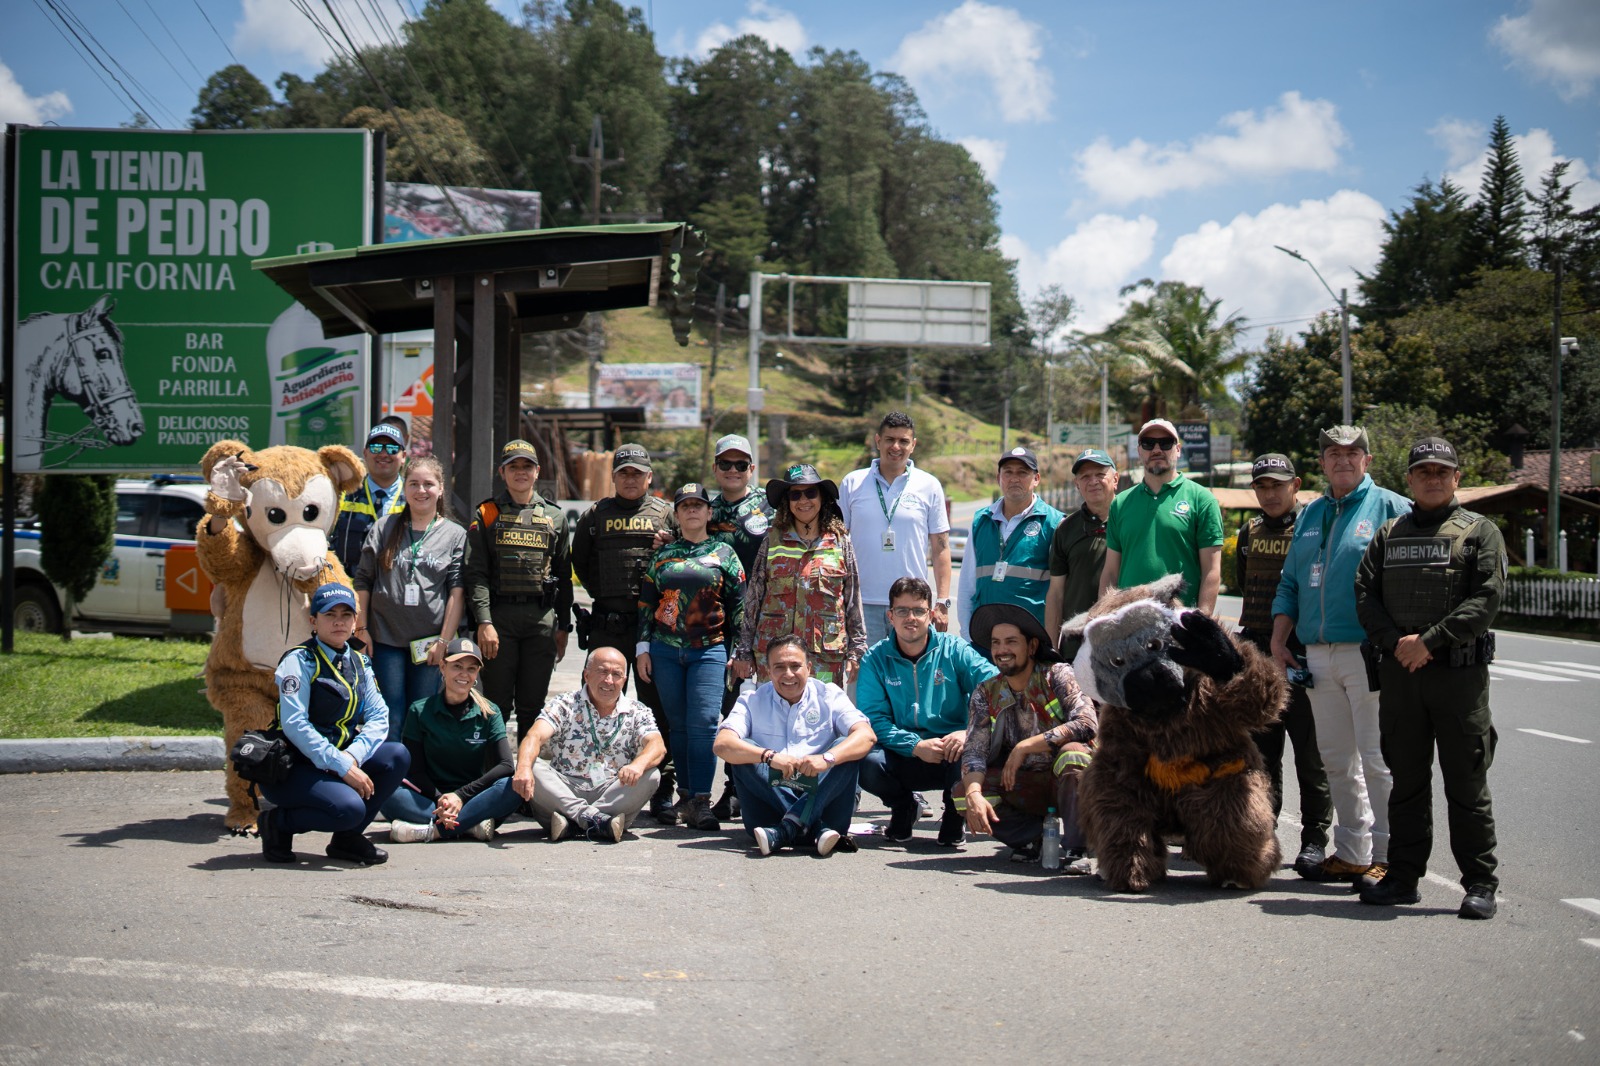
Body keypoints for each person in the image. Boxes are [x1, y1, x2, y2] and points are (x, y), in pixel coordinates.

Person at [1356, 438, 1506, 920]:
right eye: (1424, 472)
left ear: (1457, 478)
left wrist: (1430, 641)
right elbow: (1364, 594)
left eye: (1443, 471)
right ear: (1410, 481)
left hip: (1458, 679)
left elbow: (1485, 601)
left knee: (1467, 784)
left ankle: (1480, 883)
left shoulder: (1481, 532)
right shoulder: (1388, 532)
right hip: (1401, 676)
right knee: (1407, 784)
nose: (1434, 478)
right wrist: (1398, 643)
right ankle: (1402, 877)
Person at [1271, 425, 1410, 886]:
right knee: (1335, 758)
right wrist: (1278, 639)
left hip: (1368, 653)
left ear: (1367, 461)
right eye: (1333, 453)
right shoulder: (1310, 514)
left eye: (1353, 453)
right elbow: (1290, 582)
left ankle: (1389, 856)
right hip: (1315, 654)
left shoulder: (1391, 507)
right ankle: (1352, 851)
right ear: (1323, 463)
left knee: (1376, 758)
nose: (1343, 460)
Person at [257, 583, 409, 866]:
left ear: (355, 621)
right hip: (294, 769)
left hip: (339, 762)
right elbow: (295, 725)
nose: (339, 621)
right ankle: (278, 823)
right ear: (313, 621)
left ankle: (347, 840)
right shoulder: (299, 661)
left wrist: (351, 759)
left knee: (397, 755)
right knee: (348, 808)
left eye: (346, 614)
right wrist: (342, 766)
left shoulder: (360, 662)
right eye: (330, 615)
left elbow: (379, 716)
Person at [1235, 453, 1333, 878]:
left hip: (1302, 654)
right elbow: (1244, 584)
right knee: (1263, 755)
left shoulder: (1313, 529)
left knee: (1311, 756)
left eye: (1278, 485)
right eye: (1262, 486)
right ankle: (1265, 832)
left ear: (1295, 486)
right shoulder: (1248, 533)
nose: (1270, 493)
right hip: (1258, 656)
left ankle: (1314, 839)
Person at [570, 444, 677, 820]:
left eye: (638, 473)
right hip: (608, 626)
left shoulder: (667, 514)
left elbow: (682, 557)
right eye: (624, 473)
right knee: (600, 704)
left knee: (655, 708)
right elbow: (580, 562)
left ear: (650, 477)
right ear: (614, 477)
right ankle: (592, 780)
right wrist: (605, 594)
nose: (630, 479)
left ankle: (663, 787)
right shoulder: (596, 515)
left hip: (654, 627)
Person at [856, 577, 997, 846]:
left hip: (950, 750)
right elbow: (873, 720)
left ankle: (955, 815)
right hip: (903, 752)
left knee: (974, 752)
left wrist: (967, 732)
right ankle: (904, 807)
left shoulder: (955, 650)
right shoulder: (874, 659)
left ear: (931, 615)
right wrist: (915, 745)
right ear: (890, 615)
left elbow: (996, 688)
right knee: (866, 763)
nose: (911, 618)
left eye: (918, 610)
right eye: (902, 610)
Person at [637, 483, 746, 832]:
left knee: (704, 723)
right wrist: (642, 648)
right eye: (686, 506)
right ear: (678, 514)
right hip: (665, 650)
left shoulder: (724, 553)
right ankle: (684, 797)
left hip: (709, 649)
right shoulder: (663, 554)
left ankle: (701, 798)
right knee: (677, 725)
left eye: (699, 505)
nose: (693, 511)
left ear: (709, 513)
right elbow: (646, 602)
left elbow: (740, 605)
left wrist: (739, 650)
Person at [959, 603, 1096, 870]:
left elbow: (1087, 723)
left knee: (1073, 754)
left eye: (1011, 641)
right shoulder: (985, 692)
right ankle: (1036, 839)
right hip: (1024, 784)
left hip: (1072, 782)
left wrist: (1025, 746)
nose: (1002, 650)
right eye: (996, 643)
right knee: (962, 793)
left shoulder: (1058, 674)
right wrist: (973, 791)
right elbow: (974, 751)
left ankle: (1079, 849)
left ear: (1031, 647)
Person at [713, 635, 877, 856]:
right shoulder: (751, 700)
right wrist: (769, 756)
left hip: (824, 799)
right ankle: (814, 827)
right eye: (779, 667)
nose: (788, 674)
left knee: (844, 748)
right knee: (744, 750)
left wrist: (827, 758)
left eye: (795, 666)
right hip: (768, 810)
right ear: (768, 671)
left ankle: (786, 829)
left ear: (809, 668)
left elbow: (866, 736)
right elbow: (722, 744)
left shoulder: (829, 695)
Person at [464, 439, 573, 743]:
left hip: (541, 622)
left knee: (533, 706)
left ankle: (526, 776)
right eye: (514, 466)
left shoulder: (555, 517)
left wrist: (563, 627)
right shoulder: (487, 513)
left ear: (537, 472)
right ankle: (495, 773)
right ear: (502, 471)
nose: (521, 472)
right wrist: (484, 622)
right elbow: (476, 573)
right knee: (495, 704)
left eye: (527, 466)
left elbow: (564, 577)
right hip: (499, 621)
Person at [353, 455, 467, 739]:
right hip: (385, 638)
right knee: (390, 712)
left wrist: (444, 642)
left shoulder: (455, 535)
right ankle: (390, 778)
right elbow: (363, 581)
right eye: (414, 483)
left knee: (422, 712)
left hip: (429, 644)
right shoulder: (384, 528)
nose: (421, 490)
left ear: (441, 489)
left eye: (429, 484)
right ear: (405, 488)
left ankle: (416, 778)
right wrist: (361, 628)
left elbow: (456, 591)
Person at [512, 646, 667, 843]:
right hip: (565, 789)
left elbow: (657, 745)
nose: (609, 680)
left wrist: (637, 765)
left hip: (611, 791)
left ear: (624, 680)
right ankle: (596, 822)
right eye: (602, 671)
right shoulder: (564, 703)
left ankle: (572, 824)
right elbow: (534, 736)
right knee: (529, 765)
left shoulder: (638, 711)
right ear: (586, 675)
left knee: (651, 775)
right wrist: (523, 768)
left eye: (616, 674)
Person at [734, 463, 867, 687]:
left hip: (824, 657)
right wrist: (744, 650)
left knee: (821, 717)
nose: (803, 501)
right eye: (796, 495)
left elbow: (853, 599)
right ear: (787, 502)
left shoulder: (840, 542)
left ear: (822, 497)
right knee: (774, 718)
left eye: (810, 493)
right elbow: (754, 599)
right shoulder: (772, 540)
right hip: (776, 657)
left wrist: (857, 651)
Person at [381, 637, 522, 843]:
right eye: (457, 666)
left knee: (514, 787)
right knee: (386, 790)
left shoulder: (490, 712)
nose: (464, 674)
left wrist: (461, 796)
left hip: (475, 798)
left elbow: (506, 765)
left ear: (477, 674)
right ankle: (470, 826)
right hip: (432, 799)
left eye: (471, 669)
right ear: (442, 667)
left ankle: (433, 831)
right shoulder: (419, 710)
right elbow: (414, 770)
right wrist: (442, 798)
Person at [838, 412, 954, 645]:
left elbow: (941, 547)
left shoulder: (929, 485)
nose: (896, 446)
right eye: (890, 439)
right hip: (861, 604)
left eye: (903, 441)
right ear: (878, 441)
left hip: (911, 605)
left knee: (910, 677)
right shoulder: (852, 482)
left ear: (913, 445)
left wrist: (941, 601)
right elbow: (838, 543)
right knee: (862, 677)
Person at [1100, 418, 1223, 614]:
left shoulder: (1203, 500)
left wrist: (1202, 624)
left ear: (1178, 449)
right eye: (1148, 444)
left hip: (1180, 624)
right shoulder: (1120, 503)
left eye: (1165, 443)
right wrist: (1103, 617)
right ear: (1140, 451)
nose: (1157, 449)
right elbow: (1111, 572)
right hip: (1126, 623)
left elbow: (1212, 571)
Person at [957, 447, 1063, 635]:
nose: (1015, 478)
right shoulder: (980, 521)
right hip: (986, 639)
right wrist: (967, 636)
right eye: (1008, 472)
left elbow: (1060, 592)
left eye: (1023, 473)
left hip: (1032, 641)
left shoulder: (1055, 523)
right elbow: (967, 587)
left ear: (1036, 479)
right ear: (999, 478)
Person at [1045, 448, 1119, 645]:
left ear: (1115, 479)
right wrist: (1052, 649)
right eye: (1085, 476)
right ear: (1077, 484)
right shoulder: (1065, 529)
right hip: (1076, 644)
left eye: (1100, 475)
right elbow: (1056, 593)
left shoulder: (1133, 520)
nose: (1093, 481)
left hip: (1124, 641)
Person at [331, 422, 408, 573]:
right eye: (376, 447)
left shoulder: (415, 497)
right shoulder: (343, 495)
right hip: (351, 593)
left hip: (398, 593)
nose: (384, 454)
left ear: (403, 456)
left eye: (392, 449)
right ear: (365, 453)